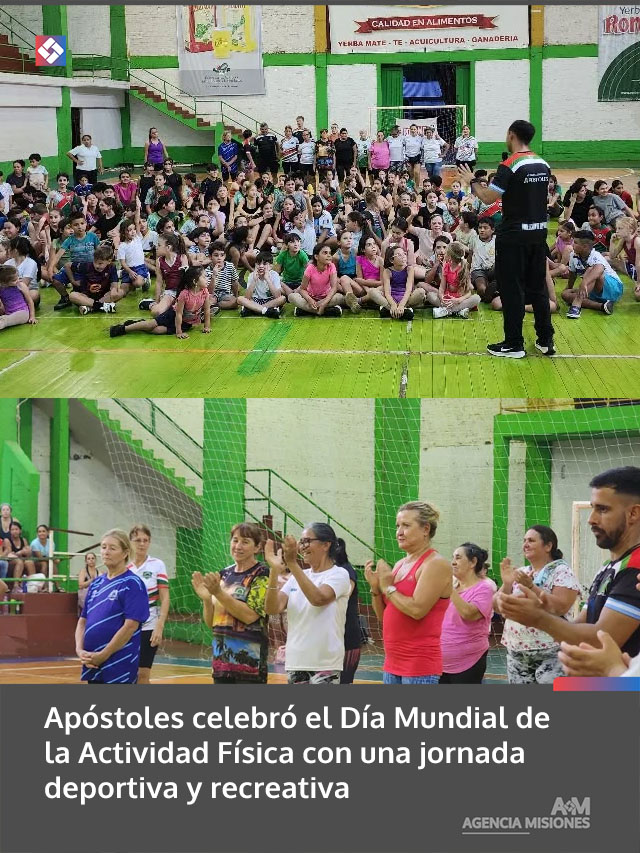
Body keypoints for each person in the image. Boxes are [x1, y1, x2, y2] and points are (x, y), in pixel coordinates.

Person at [497, 467, 640, 662]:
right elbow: (577, 628)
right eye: (592, 508)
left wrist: (538, 617)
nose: (591, 519)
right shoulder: (610, 566)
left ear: (633, 513)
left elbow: (602, 639)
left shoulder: (635, 565)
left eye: (603, 509)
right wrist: (536, 610)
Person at [458, 119, 555, 359]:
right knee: (538, 289)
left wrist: (472, 180)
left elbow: (489, 197)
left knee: (512, 291)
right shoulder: (543, 164)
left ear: (511, 135)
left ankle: (514, 343)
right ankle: (546, 340)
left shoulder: (510, 165)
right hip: (538, 234)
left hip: (514, 237)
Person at [365, 501, 452, 684]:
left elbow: (417, 610)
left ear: (425, 529)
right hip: (392, 663)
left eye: (406, 525)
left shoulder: (435, 563)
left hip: (419, 667)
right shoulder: (399, 565)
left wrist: (388, 587)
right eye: (397, 526)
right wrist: (375, 588)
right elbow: (384, 616)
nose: (399, 532)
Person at [264, 525, 352, 684]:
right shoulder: (298, 576)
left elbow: (318, 599)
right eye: (301, 541)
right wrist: (274, 571)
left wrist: (292, 564)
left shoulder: (339, 574)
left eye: (307, 541)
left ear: (326, 545)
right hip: (296, 661)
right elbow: (272, 608)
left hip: (325, 664)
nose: (302, 546)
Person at [496, 526, 580, 683]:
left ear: (548, 546)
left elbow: (560, 607)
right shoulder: (522, 572)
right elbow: (496, 607)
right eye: (524, 540)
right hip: (517, 653)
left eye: (531, 540)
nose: (525, 544)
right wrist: (507, 584)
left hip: (551, 652)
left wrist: (531, 586)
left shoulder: (562, 571)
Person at [192, 522, 270, 684]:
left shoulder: (262, 573)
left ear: (257, 547)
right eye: (235, 540)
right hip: (222, 662)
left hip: (250, 663)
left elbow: (250, 616)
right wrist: (207, 599)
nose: (238, 546)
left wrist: (218, 593)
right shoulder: (224, 574)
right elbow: (212, 623)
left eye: (245, 541)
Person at [75, 529, 149, 684]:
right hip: (92, 663)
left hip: (118, 664)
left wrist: (104, 654)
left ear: (125, 553)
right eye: (103, 547)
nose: (106, 552)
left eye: (112, 548)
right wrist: (80, 650)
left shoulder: (132, 583)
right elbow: (83, 621)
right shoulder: (96, 583)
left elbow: (130, 626)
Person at [440, 543, 494, 683]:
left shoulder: (484, 588)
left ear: (473, 562)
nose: (453, 562)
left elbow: (468, 613)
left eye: (458, 558)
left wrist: (449, 588)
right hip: (439, 664)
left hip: (469, 663)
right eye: (453, 558)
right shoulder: (453, 586)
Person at [110, 266, 211, 339]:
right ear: (195, 282)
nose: (207, 279)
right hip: (172, 315)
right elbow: (178, 314)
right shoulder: (184, 294)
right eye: (204, 277)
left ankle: (137, 324)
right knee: (150, 325)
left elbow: (206, 310)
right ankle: (123, 329)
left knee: (158, 331)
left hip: (186, 323)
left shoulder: (204, 292)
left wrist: (207, 326)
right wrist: (178, 332)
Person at [128, 525, 169, 685]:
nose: (142, 544)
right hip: (125, 626)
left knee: (143, 674)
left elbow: (165, 598)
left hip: (148, 625)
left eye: (146, 540)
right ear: (130, 542)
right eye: (138, 540)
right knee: (127, 673)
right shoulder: (124, 566)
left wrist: (160, 625)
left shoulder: (157, 564)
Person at [561, 230, 623, 318]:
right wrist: (569, 288)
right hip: (595, 290)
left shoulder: (596, 256)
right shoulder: (573, 255)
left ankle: (576, 305)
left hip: (613, 287)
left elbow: (599, 269)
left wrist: (584, 282)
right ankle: (602, 306)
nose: (572, 245)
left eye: (575, 243)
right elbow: (572, 274)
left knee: (591, 269)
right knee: (565, 294)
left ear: (585, 246)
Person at [433, 240, 480, 319]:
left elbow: (468, 292)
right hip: (448, 298)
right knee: (430, 295)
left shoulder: (463, 268)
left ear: (450, 256)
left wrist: (458, 300)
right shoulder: (446, 266)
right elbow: (441, 288)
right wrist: (441, 297)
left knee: (476, 298)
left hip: (459, 299)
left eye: (446, 252)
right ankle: (459, 310)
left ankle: (447, 311)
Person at [2, 521, 35, 591]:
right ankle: (15, 585)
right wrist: (21, 552)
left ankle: (33, 585)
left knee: (30, 562)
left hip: (22, 560)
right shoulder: (7, 540)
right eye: (12, 530)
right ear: (10, 531)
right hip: (11, 563)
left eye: (16, 529)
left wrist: (28, 551)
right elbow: (10, 555)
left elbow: (28, 554)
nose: (14, 531)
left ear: (20, 530)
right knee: (19, 562)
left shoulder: (23, 540)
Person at [77, 551, 99, 616]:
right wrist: (91, 580)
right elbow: (80, 585)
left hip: (95, 597)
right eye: (89, 559)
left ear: (95, 560)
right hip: (85, 597)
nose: (91, 560)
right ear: (86, 561)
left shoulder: (99, 572)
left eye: (92, 558)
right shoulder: (83, 571)